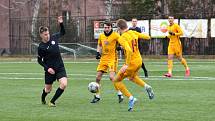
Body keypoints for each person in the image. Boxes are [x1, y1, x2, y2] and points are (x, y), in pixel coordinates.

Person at [114, 19, 154, 112]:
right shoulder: (133, 32)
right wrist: (149, 36)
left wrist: (126, 64)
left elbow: (128, 50)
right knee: (132, 77)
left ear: (119, 28)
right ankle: (147, 86)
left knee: (116, 80)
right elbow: (147, 37)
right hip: (139, 61)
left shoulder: (122, 37)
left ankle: (131, 98)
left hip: (131, 63)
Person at [37, 16, 68, 107]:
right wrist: (47, 69)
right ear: (41, 35)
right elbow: (39, 60)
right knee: (48, 90)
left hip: (59, 67)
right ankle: (43, 98)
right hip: (50, 70)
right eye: (45, 34)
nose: (48, 36)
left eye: (48, 33)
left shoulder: (54, 38)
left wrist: (61, 23)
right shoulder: (41, 47)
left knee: (64, 84)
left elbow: (63, 32)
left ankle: (52, 101)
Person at [90, 21, 124, 103]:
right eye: (105, 27)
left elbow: (123, 43)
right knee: (97, 78)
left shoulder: (116, 35)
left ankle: (120, 94)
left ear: (111, 27)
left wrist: (120, 47)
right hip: (103, 59)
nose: (106, 29)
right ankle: (97, 96)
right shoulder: (101, 36)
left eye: (108, 27)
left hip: (112, 59)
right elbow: (99, 45)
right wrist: (98, 52)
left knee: (112, 77)